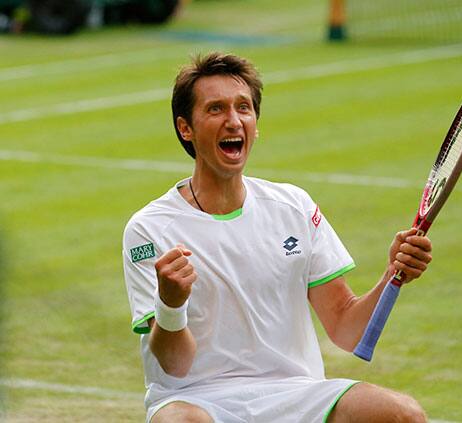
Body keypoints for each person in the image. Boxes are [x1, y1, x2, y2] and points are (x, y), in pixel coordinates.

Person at [123, 52, 433, 423]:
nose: (234, 121)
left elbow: (347, 329)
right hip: (198, 400)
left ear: (256, 123)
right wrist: (170, 304)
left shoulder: (294, 206)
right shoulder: (149, 228)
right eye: (216, 109)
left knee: (402, 415)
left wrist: (392, 274)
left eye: (244, 108)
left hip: (298, 395)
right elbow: (174, 364)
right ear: (185, 127)